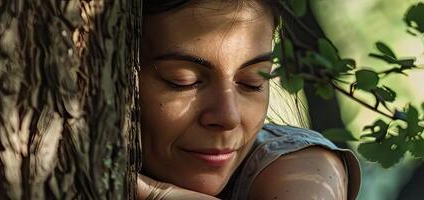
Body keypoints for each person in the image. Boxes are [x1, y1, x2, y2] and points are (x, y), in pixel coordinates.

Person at [136, 0, 362, 199]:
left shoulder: (301, 168)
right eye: (184, 80)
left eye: (252, 82)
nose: (229, 117)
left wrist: (155, 195)